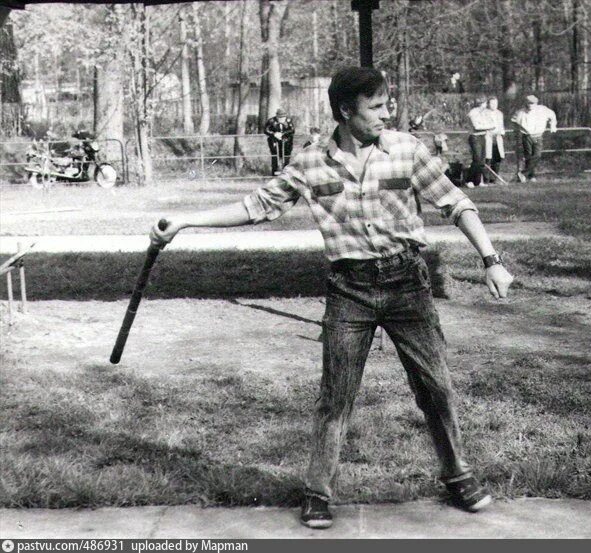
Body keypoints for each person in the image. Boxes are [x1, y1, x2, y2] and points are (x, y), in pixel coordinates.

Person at [149, 67, 514, 530]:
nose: (388, 113)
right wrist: (185, 221)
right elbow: (254, 207)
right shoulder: (310, 161)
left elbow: (457, 203)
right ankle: (318, 492)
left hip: (408, 286)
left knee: (436, 386)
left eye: (388, 105)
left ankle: (457, 475)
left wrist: (491, 259)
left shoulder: (407, 150)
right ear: (346, 111)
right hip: (349, 290)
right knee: (336, 396)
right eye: (376, 107)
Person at [511, 94, 557, 183]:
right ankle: (530, 176)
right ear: (526, 103)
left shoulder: (543, 110)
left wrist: (552, 125)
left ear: (536, 103)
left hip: (538, 136)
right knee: (528, 156)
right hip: (526, 136)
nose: (530, 105)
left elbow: (552, 116)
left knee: (537, 155)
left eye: (533, 103)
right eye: (529, 103)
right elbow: (514, 121)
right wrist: (518, 130)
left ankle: (523, 173)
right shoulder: (520, 112)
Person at [466, 97, 496, 187]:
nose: (484, 105)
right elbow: (476, 127)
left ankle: (478, 181)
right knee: (477, 159)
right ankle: (469, 180)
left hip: (483, 136)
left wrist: (486, 126)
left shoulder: (486, 113)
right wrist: (488, 126)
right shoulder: (472, 113)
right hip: (475, 137)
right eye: (482, 103)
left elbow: (493, 124)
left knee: (482, 161)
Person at [264, 108, 295, 175]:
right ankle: (274, 172)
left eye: (283, 117)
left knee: (286, 156)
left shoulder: (288, 120)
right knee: (275, 156)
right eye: (280, 117)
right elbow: (266, 130)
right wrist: (274, 134)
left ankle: (286, 172)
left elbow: (292, 130)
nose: (282, 119)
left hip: (287, 141)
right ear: (277, 116)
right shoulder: (271, 121)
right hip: (274, 141)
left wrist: (283, 134)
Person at [485, 96, 505, 182]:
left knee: (497, 158)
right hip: (488, 137)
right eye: (492, 103)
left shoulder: (499, 113)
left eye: (496, 103)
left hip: (497, 138)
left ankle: (494, 179)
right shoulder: (484, 113)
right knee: (488, 158)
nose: (494, 105)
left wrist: (502, 132)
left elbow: (501, 125)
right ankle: (486, 178)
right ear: (488, 104)